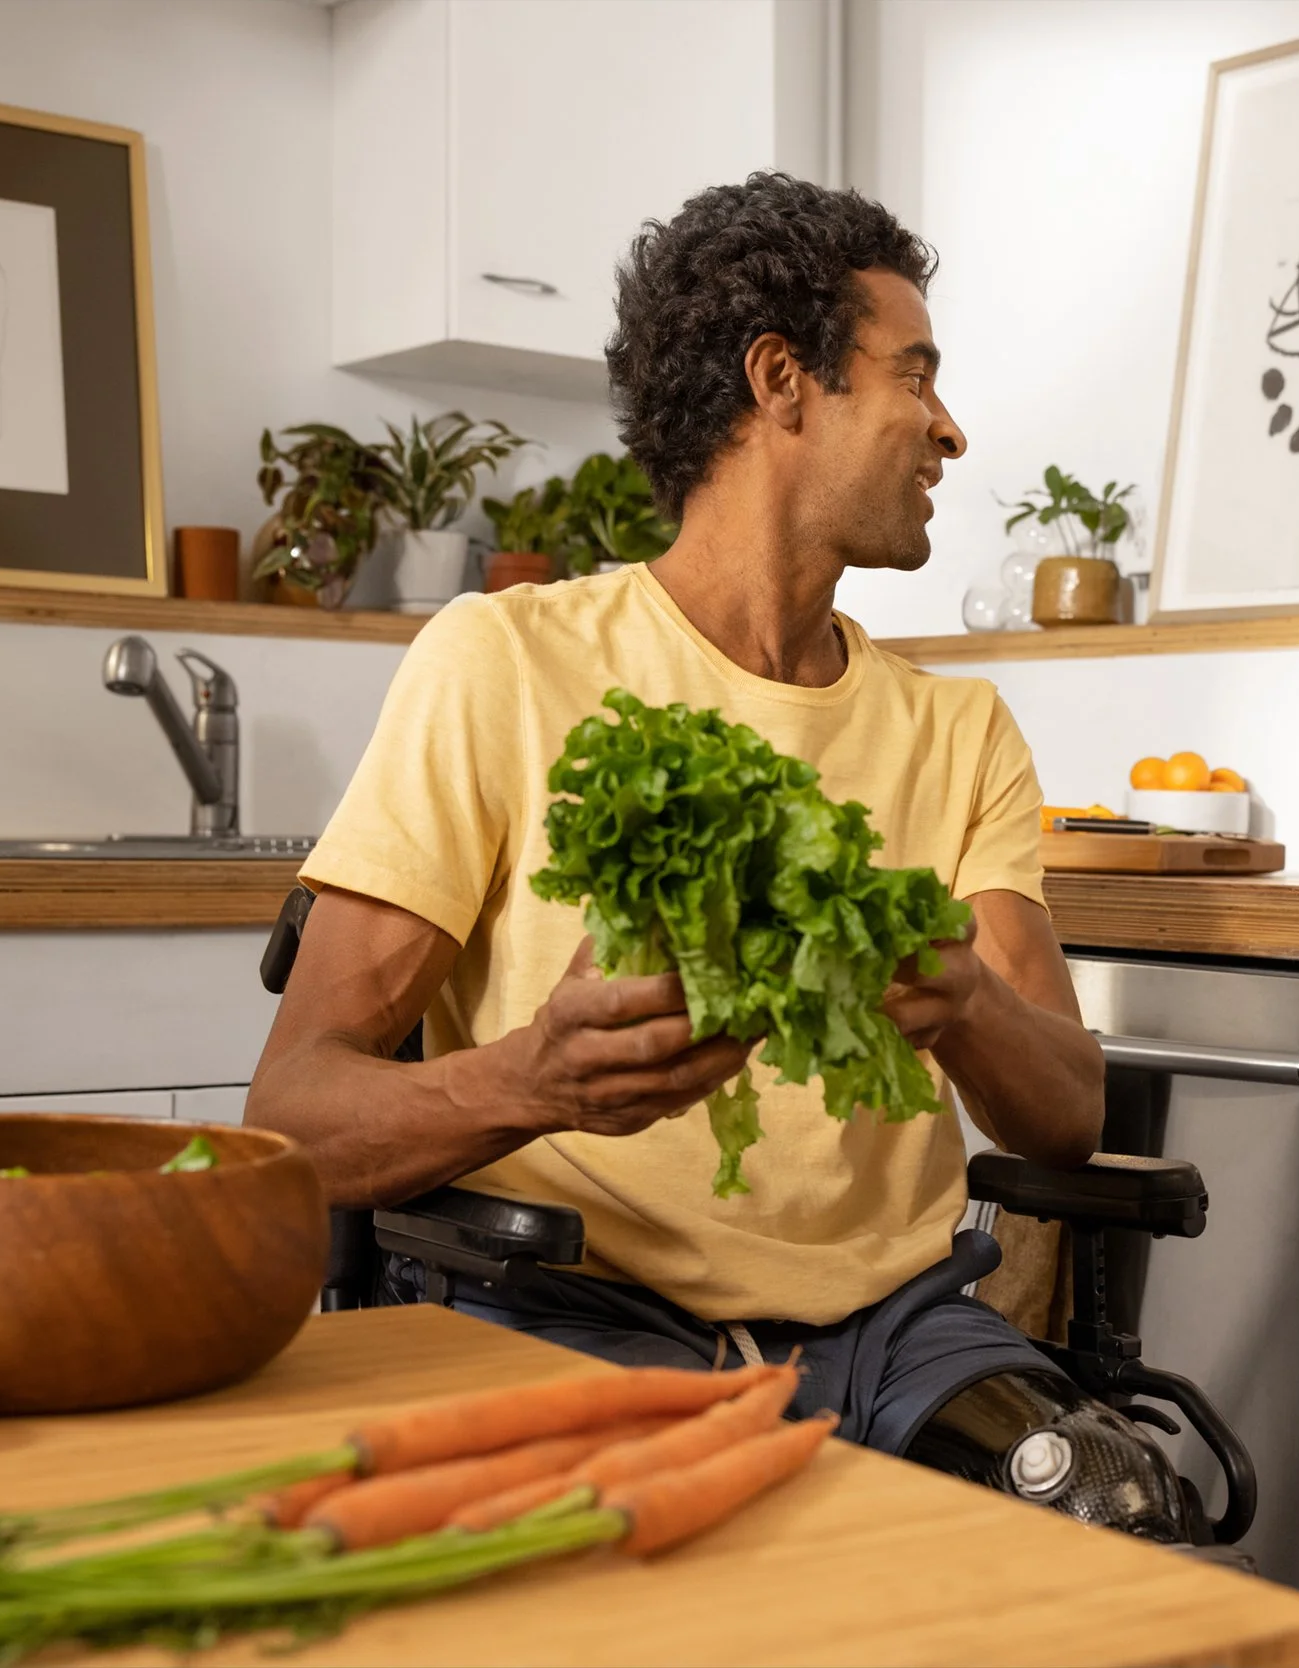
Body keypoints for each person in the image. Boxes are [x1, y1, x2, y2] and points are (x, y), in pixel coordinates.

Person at [246, 175, 1197, 1539]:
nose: (950, 428)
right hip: (574, 1311)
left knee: (1112, 1512)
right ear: (780, 382)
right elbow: (290, 1116)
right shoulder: (501, 663)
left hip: (897, 1335)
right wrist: (530, 1080)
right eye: (914, 378)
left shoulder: (960, 726)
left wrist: (968, 1004)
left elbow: (1063, 1118)